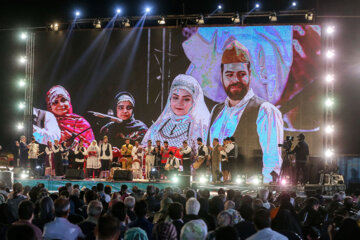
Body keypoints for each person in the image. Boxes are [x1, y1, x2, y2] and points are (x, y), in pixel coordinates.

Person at [207, 40, 284, 183]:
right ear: (221, 74)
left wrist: (264, 191)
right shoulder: (216, 111)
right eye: (229, 74)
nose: (235, 80)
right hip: (214, 187)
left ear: (250, 73)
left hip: (249, 190)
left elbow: (272, 160)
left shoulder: (265, 110)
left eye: (241, 74)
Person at [142, 74, 210, 148]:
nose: (179, 103)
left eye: (186, 99)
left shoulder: (200, 127)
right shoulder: (160, 124)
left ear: (195, 102)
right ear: (170, 99)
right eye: (175, 97)